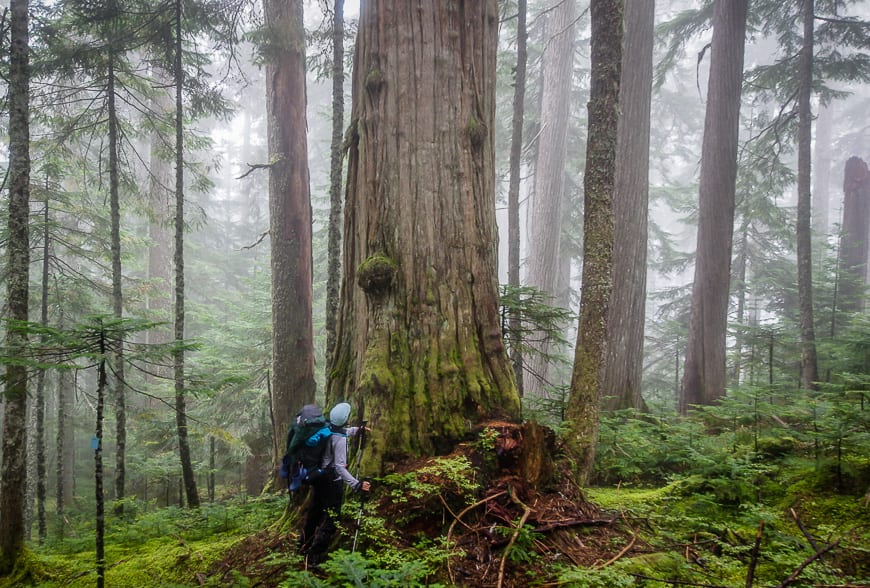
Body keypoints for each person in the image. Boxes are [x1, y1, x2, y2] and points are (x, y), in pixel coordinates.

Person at [298, 402, 371, 568]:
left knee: (315, 513)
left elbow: (342, 431)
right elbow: (339, 466)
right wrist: (356, 484)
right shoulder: (340, 440)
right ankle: (314, 555)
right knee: (332, 518)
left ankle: (302, 544)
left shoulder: (326, 428)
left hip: (318, 477)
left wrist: (356, 430)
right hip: (332, 482)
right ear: (345, 419)